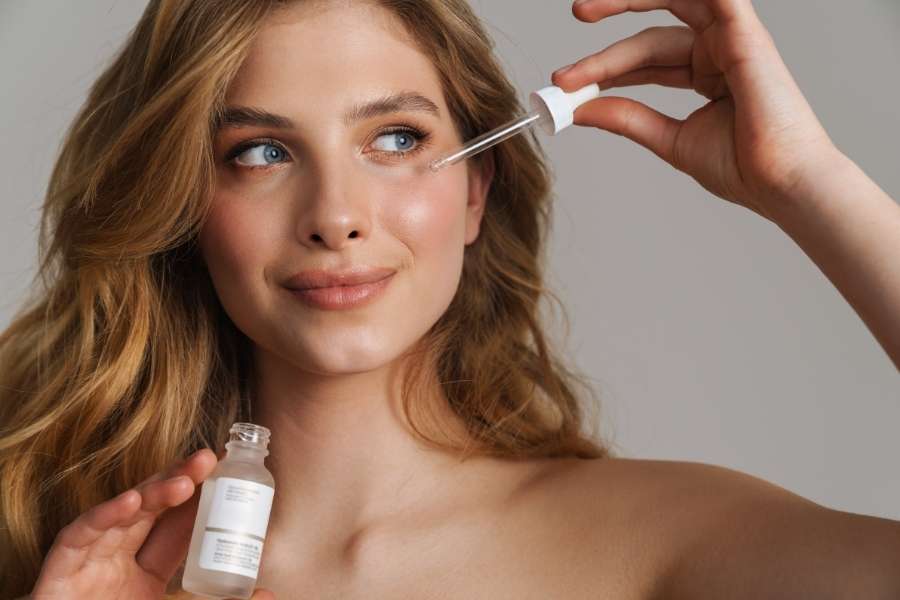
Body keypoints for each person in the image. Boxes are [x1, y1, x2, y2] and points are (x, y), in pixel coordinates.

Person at [2, 0, 898, 598]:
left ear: (475, 193)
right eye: (262, 153)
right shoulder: (68, 553)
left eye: (394, 138)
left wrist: (810, 183)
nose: (336, 217)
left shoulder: (661, 540)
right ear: (183, 207)